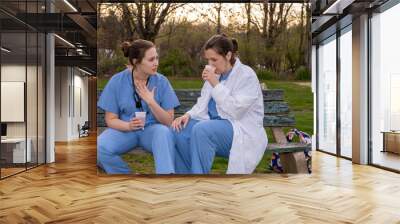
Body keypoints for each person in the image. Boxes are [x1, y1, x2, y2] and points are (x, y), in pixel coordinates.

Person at [171, 34, 268, 174]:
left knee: (201, 130)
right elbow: (202, 103)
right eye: (208, 60)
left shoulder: (246, 75)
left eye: (214, 59)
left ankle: (198, 180)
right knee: (177, 129)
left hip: (240, 129)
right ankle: (186, 177)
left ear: (228, 55)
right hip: (213, 125)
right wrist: (187, 115)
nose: (210, 64)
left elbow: (236, 111)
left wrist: (215, 84)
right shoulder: (215, 74)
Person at [98, 39, 180, 174]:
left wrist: (151, 102)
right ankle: (127, 177)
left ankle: (166, 180)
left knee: (164, 133)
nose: (156, 63)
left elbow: (168, 121)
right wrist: (128, 126)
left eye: (157, 58)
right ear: (136, 62)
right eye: (151, 59)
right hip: (125, 131)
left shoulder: (162, 82)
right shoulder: (117, 81)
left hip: (152, 131)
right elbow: (110, 119)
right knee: (99, 147)